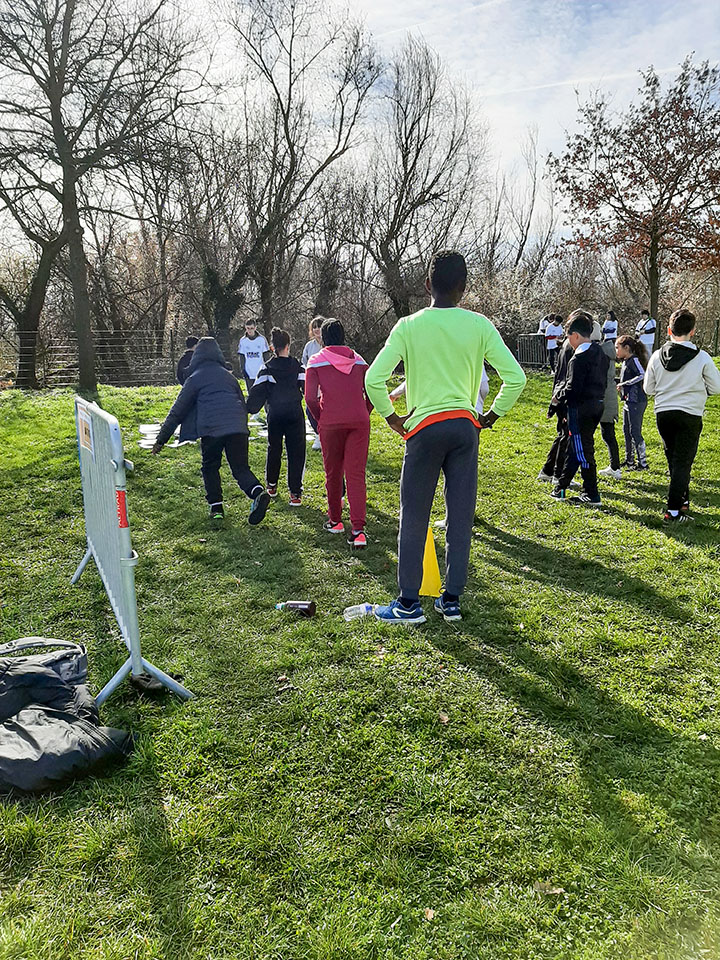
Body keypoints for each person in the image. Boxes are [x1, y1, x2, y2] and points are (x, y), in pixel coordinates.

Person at [365, 250, 526, 625]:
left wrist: (391, 418)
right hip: (465, 427)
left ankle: (408, 603)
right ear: (463, 288)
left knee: (415, 514)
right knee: (460, 513)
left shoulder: (408, 326)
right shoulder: (480, 325)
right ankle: (450, 599)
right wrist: (490, 415)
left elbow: (373, 379)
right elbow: (515, 377)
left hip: (422, 428)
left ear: (426, 285)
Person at [151, 337, 271, 525]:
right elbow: (242, 402)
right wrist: (241, 425)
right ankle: (257, 492)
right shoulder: (229, 376)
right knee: (240, 468)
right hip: (237, 428)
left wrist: (161, 439)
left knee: (210, 466)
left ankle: (216, 508)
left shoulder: (195, 377)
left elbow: (178, 410)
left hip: (211, 429)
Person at [644, 308, 720, 523]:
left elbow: (648, 388)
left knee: (673, 459)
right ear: (693, 331)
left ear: (668, 330)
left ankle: (682, 500)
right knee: (683, 462)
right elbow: (717, 387)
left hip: (664, 412)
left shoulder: (658, 356)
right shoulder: (702, 357)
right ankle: (674, 511)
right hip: (690, 413)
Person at [305, 319, 372, 548]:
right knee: (356, 474)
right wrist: (365, 410)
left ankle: (335, 520)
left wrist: (320, 417)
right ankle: (358, 530)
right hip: (358, 421)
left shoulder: (315, 361)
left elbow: (310, 398)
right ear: (344, 336)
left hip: (331, 422)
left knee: (333, 472)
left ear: (323, 338)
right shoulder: (360, 360)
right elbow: (372, 388)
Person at [550, 310, 609, 507]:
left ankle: (591, 493)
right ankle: (561, 487)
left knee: (583, 450)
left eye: (569, 338)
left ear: (575, 335)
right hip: (597, 405)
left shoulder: (577, 359)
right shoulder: (599, 352)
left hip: (579, 409)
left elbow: (572, 389)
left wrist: (560, 399)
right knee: (576, 446)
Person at [247, 327, 306, 506]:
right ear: (288, 345)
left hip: (275, 414)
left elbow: (257, 392)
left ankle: (271, 485)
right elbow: (308, 389)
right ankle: (295, 493)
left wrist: (248, 408)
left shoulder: (266, 368)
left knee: (274, 448)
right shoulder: (298, 367)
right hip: (295, 414)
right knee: (296, 453)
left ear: (272, 347)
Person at [538, 334, 574, 484]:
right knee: (566, 436)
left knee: (562, 435)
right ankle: (558, 475)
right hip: (565, 394)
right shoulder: (571, 347)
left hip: (559, 392)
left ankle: (547, 470)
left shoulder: (565, 344)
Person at [616, 335, 649, 470]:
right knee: (626, 431)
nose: (616, 351)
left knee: (635, 431)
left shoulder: (634, 360)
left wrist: (624, 384)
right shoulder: (625, 361)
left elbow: (642, 374)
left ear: (627, 348)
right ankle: (629, 460)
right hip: (628, 401)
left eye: (618, 348)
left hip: (637, 400)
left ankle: (643, 463)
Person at [596, 322, 621, 480]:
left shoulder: (600, 353)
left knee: (608, 434)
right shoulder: (608, 351)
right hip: (609, 395)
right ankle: (615, 466)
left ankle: (615, 467)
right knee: (608, 433)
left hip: (604, 396)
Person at [302, 316, 324, 450]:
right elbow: (304, 363)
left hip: (327, 384)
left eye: (319, 326)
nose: (317, 329)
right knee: (310, 410)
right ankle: (318, 434)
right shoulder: (309, 346)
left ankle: (325, 435)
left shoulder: (329, 344)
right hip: (313, 385)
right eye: (314, 327)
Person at [237, 320, 270, 395]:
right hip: (249, 374)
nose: (250, 330)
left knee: (264, 395)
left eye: (251, 328)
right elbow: (242, 357)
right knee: (252, 396)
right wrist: (243, 370)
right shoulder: (243, 341)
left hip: (260, 373)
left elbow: (266, 356)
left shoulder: (261, 340)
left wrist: (267, 369)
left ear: (255, 328)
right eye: (248, 328)